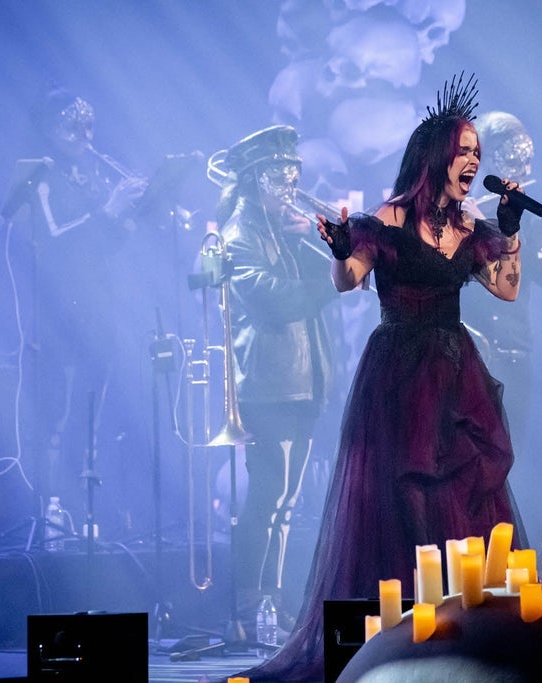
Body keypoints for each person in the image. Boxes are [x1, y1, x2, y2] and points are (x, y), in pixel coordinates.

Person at [232, 72, 530, 682]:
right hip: (399, 375)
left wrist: (513, 229)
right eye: (465, 152)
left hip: (455, 372)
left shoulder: (474, 229)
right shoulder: (384, 221)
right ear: (436, 157)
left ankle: (466, 637)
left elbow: (506, 292)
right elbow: (349, 281)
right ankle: (403, 642)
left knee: (465, 494)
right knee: (405, 495)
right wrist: (342, 248)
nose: (474, 162)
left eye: (478, 154)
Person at [0, 86, 148, 543]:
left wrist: (131, 214)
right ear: (49, 128)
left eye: (88, 122)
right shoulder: (43, 178)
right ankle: (53, 507)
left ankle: (87, 506)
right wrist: (110, 211)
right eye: (72, 123)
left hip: (101, 307)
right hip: (62, 313)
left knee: (96, 412)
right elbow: (57, 241)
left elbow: (101, 245)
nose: (84, 132)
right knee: (61, 413)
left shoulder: (92, 173)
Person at [209, 125, 339, 625]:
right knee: (267, 500)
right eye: (278, 178)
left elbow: (343, 267)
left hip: (302, 383)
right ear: (251, 180)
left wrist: (327, 241)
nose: (290, 188)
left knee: (285, 502)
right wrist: (334, 277)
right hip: (271, 387)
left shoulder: (280, 231)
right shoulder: (240, 235)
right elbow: (275, 299)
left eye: (294, 175)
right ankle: (250, 604)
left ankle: (273, 600)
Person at [461, 111, 542, 485]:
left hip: (515, 351)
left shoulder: (531, 214)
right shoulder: (462, 212)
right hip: (470, 350)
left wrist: (512, 226)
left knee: (508, 458)